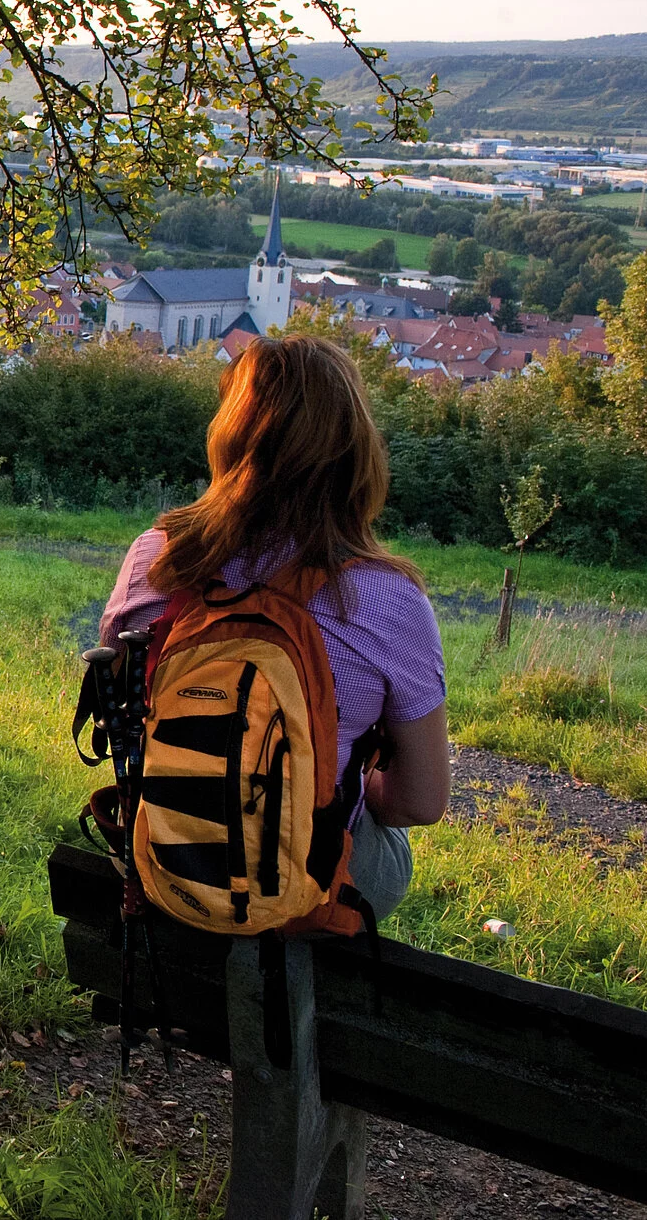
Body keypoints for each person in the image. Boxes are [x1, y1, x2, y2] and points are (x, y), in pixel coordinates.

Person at [99, 335, 448, 919]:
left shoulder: (155, 557)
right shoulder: (390, 601)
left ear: (229, 438)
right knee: (388, 842)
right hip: (298, 887)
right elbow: (419, 800)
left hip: (161, 850)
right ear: (355, 454)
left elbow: (122, 718)